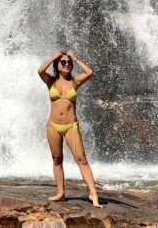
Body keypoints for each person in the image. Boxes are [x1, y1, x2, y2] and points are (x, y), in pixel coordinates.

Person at [38, 50, 101, 208]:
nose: (67, 64)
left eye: (69, 63)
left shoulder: (75, 82)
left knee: (82, 160)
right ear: (57, 65)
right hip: (53, 126)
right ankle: (61, 193)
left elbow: (89, 72)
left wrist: (75, 58)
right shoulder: (50, 81)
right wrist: (53, 56)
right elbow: (40, 70)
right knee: (57, 159)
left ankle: (93, 193)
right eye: (63, 62)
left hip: (70, 126)